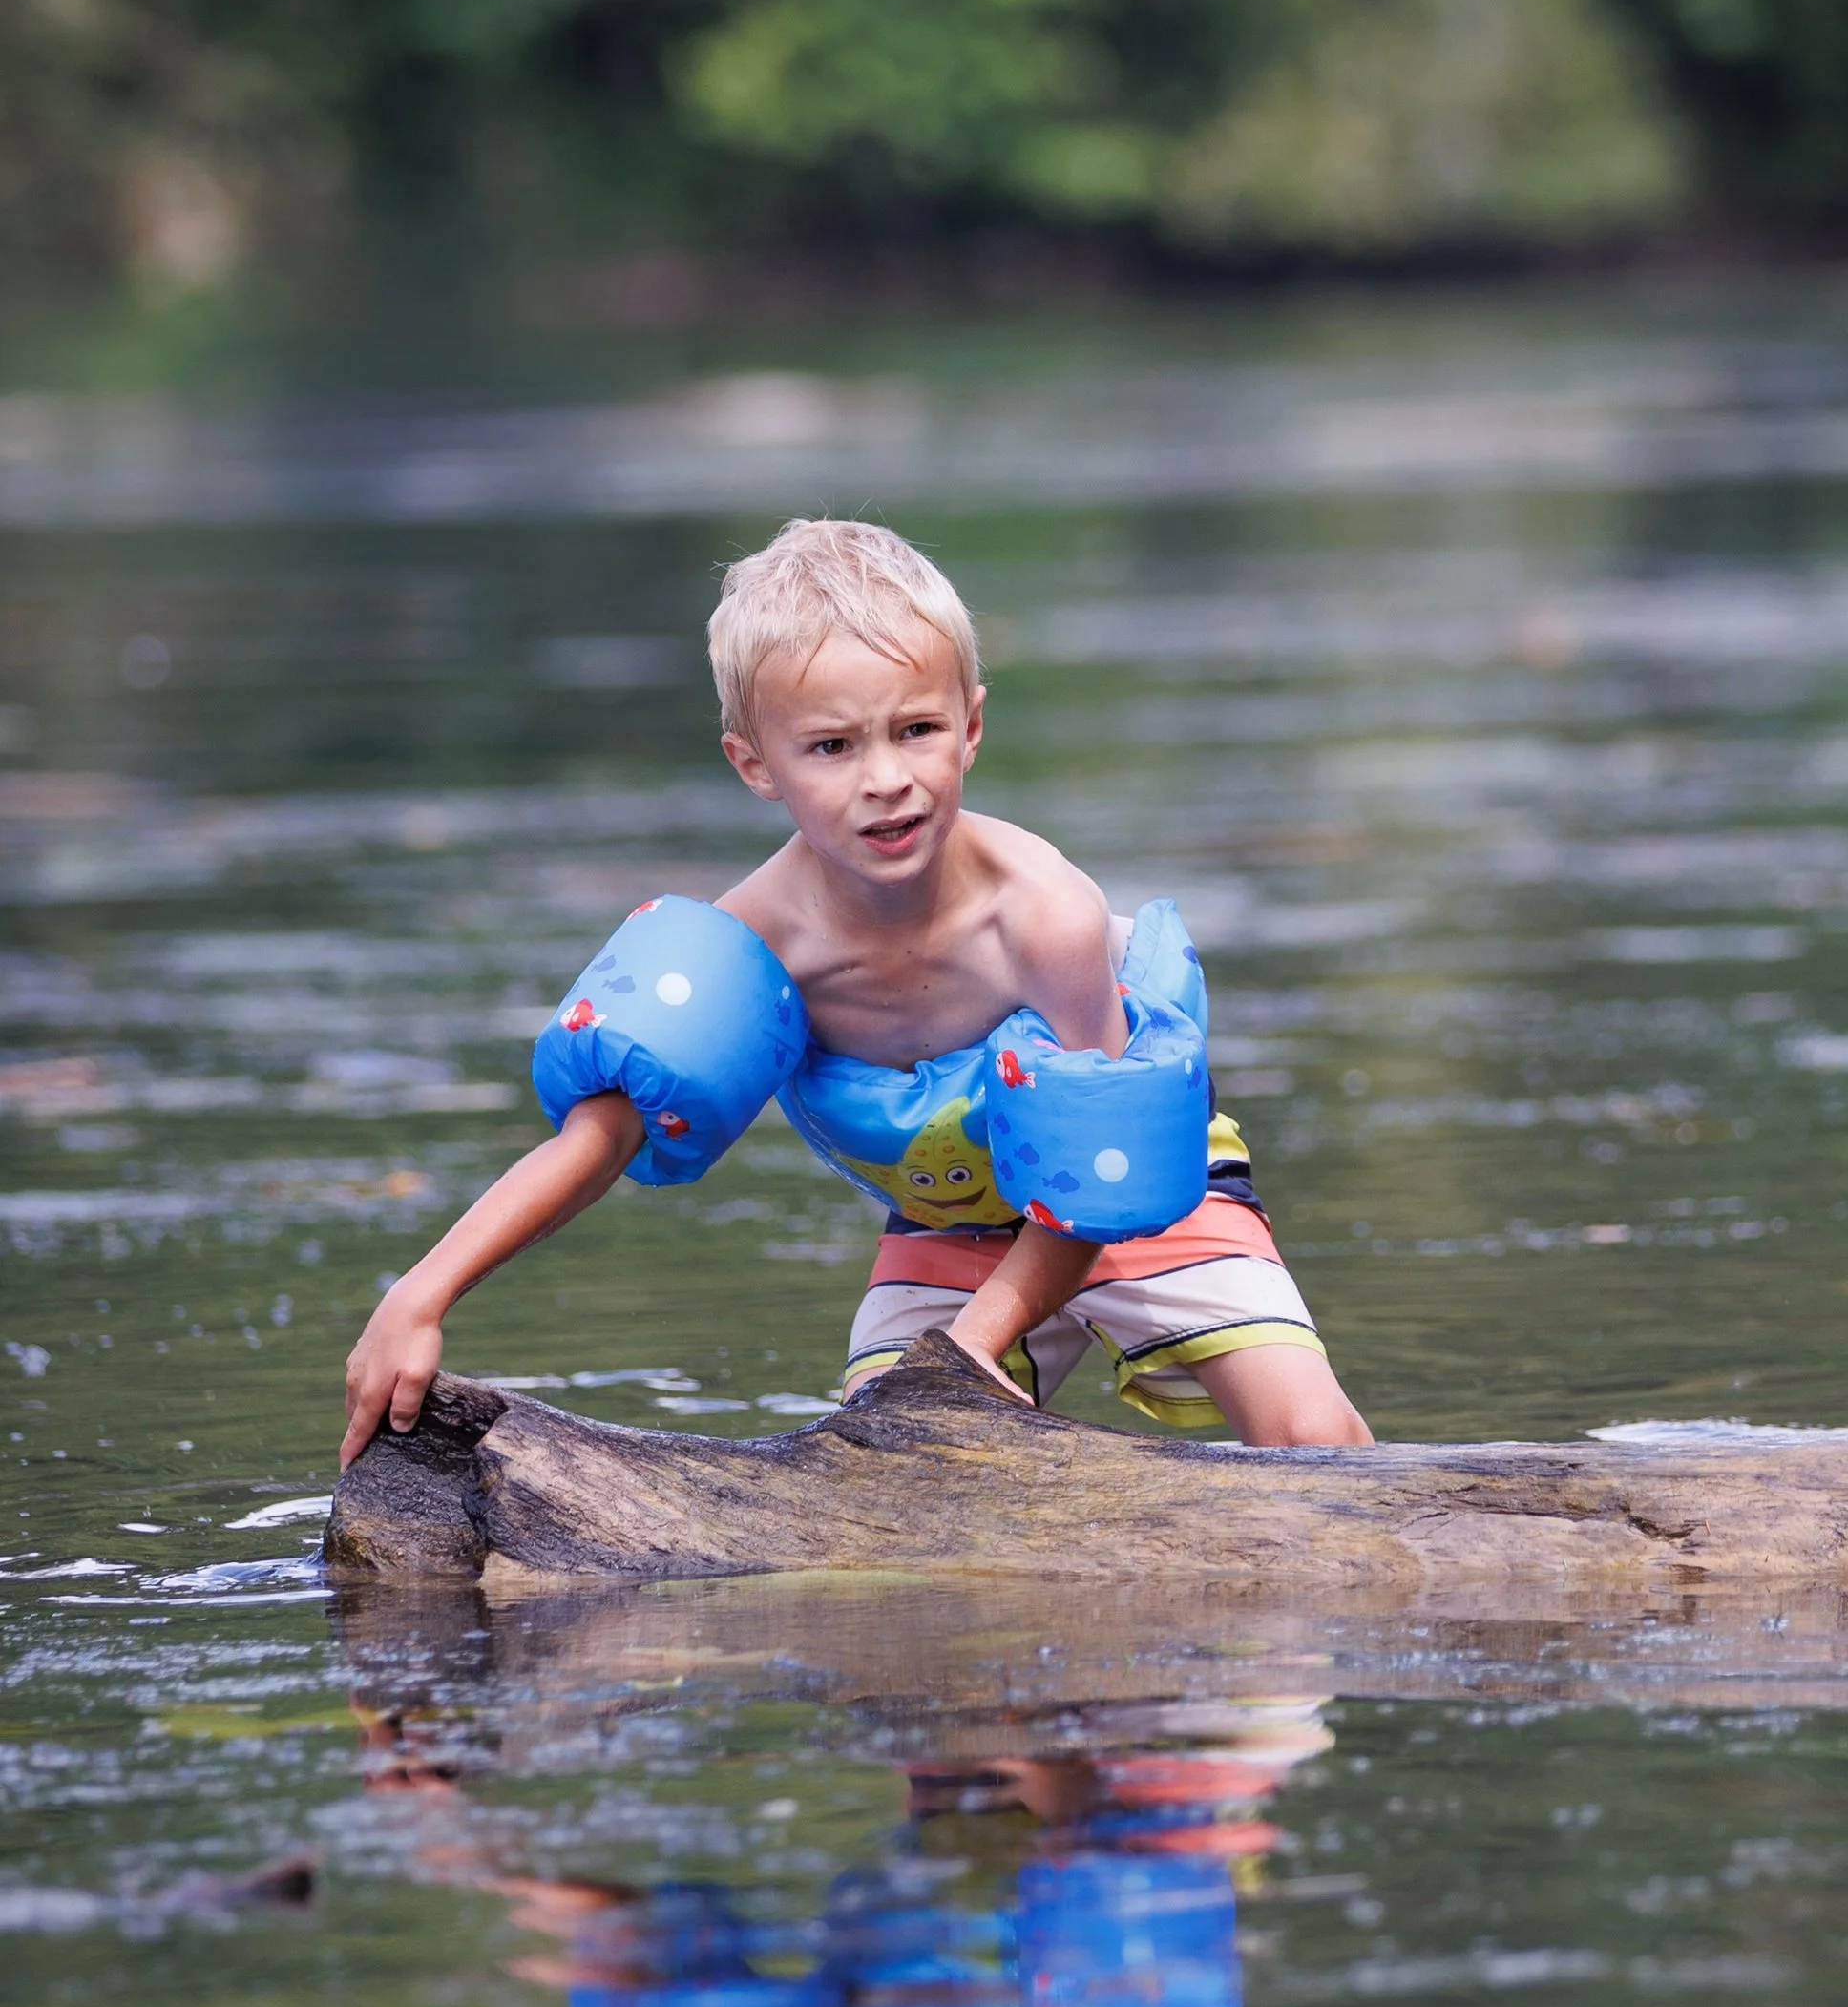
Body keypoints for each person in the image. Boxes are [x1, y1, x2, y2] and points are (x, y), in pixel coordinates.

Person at [340, 518, 1370, 1467]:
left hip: (1136, 1196)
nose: (886, 778)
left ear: (969, 727)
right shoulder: (755, 947)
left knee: (1313, 1438)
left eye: (915, 730)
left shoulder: (1041, 916)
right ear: (755, 765)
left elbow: (1094, 1187)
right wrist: (419, 1297)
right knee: (893, 1488)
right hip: (951, 1228)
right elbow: (598, 1137)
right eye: (831, 746)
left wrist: (967, 1356)